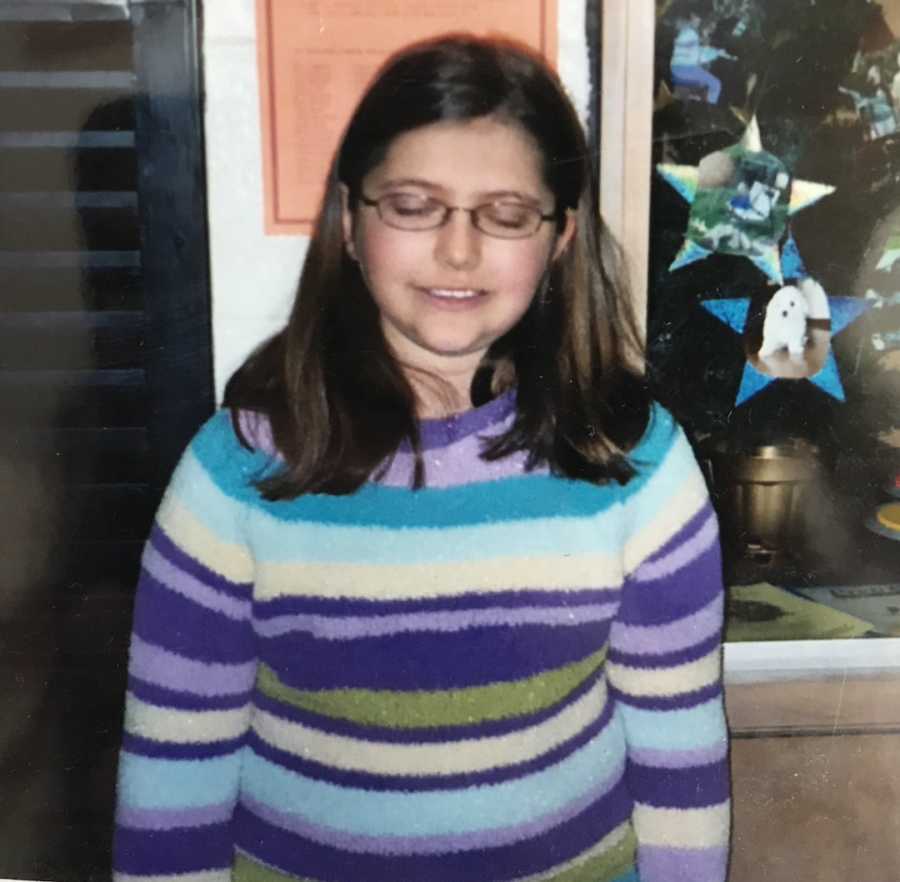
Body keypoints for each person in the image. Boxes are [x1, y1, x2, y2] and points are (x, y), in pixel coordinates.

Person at [112, 34, 731, 882]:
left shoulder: (637, 465)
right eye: (412, 205)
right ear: (350, 220)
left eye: (506, 214)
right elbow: (172, 784)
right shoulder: (238, 476)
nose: (459, 249)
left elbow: (681, 757)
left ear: (559, 237)